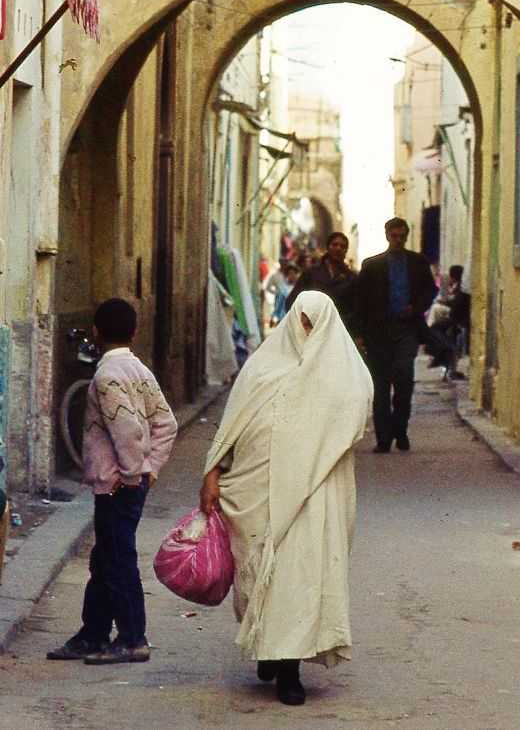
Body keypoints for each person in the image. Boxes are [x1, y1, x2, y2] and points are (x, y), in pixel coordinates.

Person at [200, 291, 373, 706]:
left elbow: (350, 421)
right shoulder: (262, 368)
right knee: (259, 570)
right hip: (258, 490)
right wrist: (212, 474)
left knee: (300, 577)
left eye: (315, 324)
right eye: (302, 322)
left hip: (314, 497)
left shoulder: (347, 378)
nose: (307, 332)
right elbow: (233, 425)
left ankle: (289, 669)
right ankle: (269, 647)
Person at [47, 298, 178, 664]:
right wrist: (151, 469)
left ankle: (133, 637)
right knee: (105, 559)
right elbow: (167, 423)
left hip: (118, 485)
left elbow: (127, 431)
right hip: (127, 483)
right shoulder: (140, 371)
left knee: (117, 560)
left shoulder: (107, 377)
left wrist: (135, 474)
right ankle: (92, 634)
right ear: (134, 333)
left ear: (95, 332)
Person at [353, 217, 436, 453]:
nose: (399, 240)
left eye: (402, 236)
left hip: (406, 329)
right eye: (395, 236)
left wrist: (416, 307)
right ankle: (383, 438)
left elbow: (431, 290)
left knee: (403, 378)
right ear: (387, 235)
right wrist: (359, 334)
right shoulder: (372, 265)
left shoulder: (418, 263)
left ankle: (400, 429)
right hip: (378, 332)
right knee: (380, 386)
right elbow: (361, 301)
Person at [285, 232, 357, 330]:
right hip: (311, 329)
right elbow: (292, 300)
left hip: (339, 330)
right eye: (334, 245)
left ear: (346, 251)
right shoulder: (311, 273)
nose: (338, 248)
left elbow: (357, 309)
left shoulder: (351, 278)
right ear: (327, 247)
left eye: (342, 246)